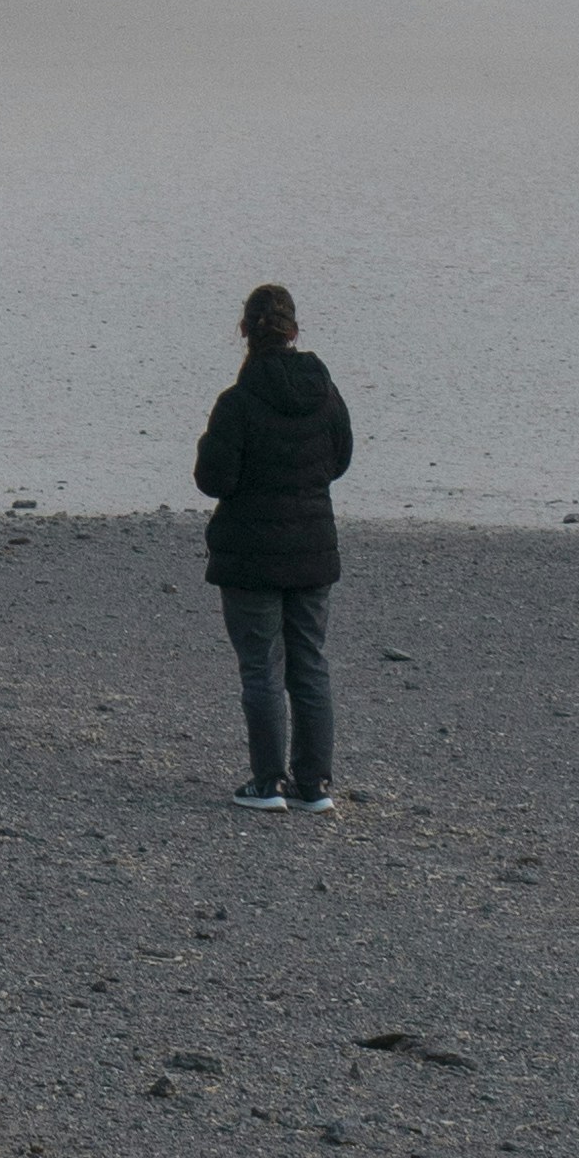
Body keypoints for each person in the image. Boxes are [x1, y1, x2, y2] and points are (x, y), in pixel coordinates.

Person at [193, 279, 354, 811]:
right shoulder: (325, 394)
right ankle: (315, 785)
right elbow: (339, 461)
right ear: (293, 330)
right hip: (310, 548)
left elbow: (214, 479)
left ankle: (268, 782)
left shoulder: (236, 403)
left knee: (262, 666)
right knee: (309, 662)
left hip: (251, 555)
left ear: (245, 331)